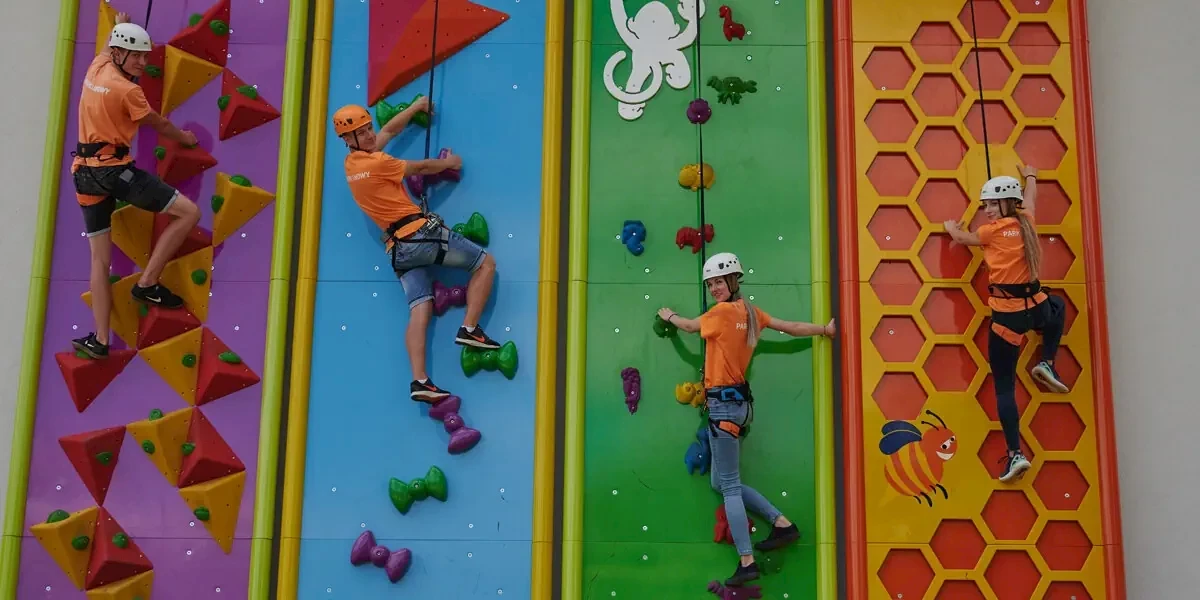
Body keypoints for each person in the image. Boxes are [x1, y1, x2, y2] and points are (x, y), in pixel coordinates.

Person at [656, 252, 836, 586]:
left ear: (733, 281)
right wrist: (824, 329)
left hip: (724, 408)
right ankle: (781, 525)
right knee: (721, 482)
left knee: (729, 487)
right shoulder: (751, 313)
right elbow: (791, 327)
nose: (714, 288)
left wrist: (669, 316)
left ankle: (747, 560)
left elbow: (690, 326)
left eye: (719, 282)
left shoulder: (722, 313)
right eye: (710, 284)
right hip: (737, 407)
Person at [332, 102, 501, 403]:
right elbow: (420, 168)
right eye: (362, 132)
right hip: (420, 236)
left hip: (397, 250)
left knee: (420, 307)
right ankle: (470, 328)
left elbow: (388, 130)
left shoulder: (353, 165)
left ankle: (419, 381)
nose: (370, 135)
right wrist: (451, 163)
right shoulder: (377, 162)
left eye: (368, 128)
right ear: (347, 139)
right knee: (485, 264)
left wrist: (415, 108)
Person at [71, 13, 203, 359]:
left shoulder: (97, 68)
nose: (143, 63)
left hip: (84, 174)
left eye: (145, 56)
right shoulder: (129, 91)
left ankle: (100, 341)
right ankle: (147, 283)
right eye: (137, 57)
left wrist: (119, 25)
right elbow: (158, 124)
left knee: (99, 260)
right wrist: (185, 138)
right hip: (116, 173)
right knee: (189, 213)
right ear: (120, 53)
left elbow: (105, 46)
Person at [944, 165, 1069, 483]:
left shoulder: (991, 232)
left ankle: (1015, 454)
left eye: (990, 204)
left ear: (1006, 203)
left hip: (1007, 322)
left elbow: (962, 238)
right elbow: (1031, 199)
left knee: (1004, 387)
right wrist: (1031, 176)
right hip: (1037, 310)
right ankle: (1047, 362)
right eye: (985, 205)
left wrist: (950, 228)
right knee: (1057, 305)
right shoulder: (1026, 220)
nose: (986, 210)